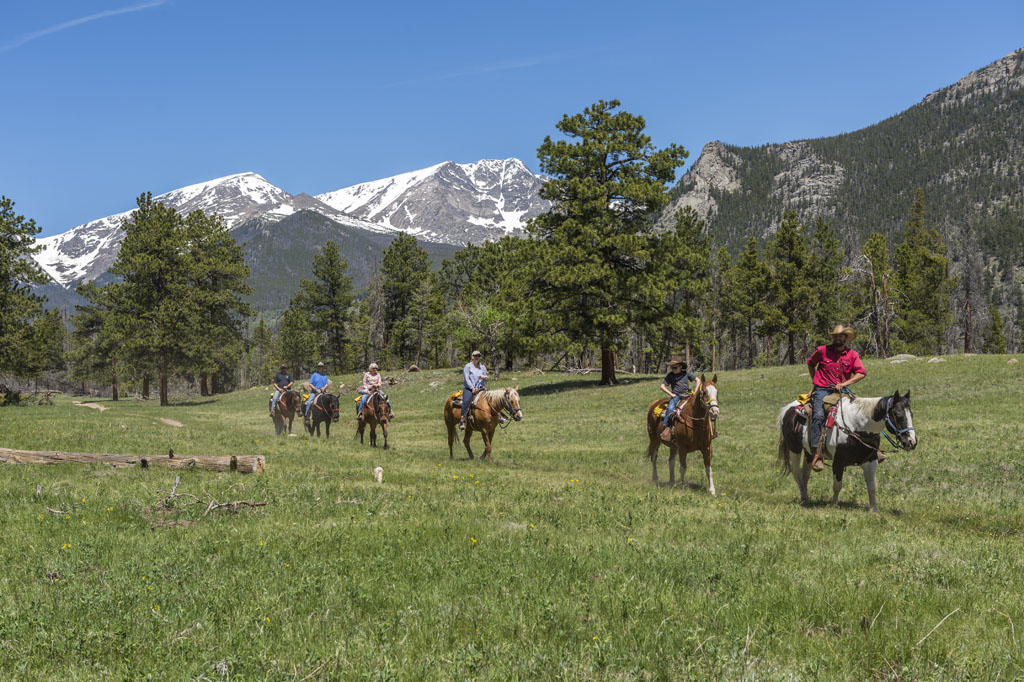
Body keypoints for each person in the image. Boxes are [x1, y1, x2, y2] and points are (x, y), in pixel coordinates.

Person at [806, 325, 867, 472]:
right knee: (819, 415)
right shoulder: (822, 351)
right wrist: (815, 381)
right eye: (835, 336)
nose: (838, 338)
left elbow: (861, 373)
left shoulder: (852, 355)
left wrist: (845, 383)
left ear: (846, 338)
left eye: (841, 336)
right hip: (822, 390)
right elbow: (810, 363)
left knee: (862, 411)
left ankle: (872, 450)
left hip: (842, 390)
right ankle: (818, 453)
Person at [660, 356, 697, 430]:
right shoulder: (670, 375)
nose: (673, 369)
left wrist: (695, 392)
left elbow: (698, 380)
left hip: (687, 395)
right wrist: (671, 394)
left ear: (680, 367)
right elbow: (662, 386)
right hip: (676, 395)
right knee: (670, 408)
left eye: (675, 367)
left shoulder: (686, 373)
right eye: (672, 368)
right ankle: (666, 425)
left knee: (698, 406)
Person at [459, 350, 488, 430]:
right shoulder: (467, 366)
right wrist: (472, 388)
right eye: (475, 356)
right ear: (472, 357)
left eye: (478, 356)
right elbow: (466, 378)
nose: (477, 357)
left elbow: (486, 377)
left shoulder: (482, 367)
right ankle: (462, 420)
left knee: (491, 399)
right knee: (466, 401)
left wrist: (485, 378)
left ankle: (499, 416)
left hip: (481, 388)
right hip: (470, 388)